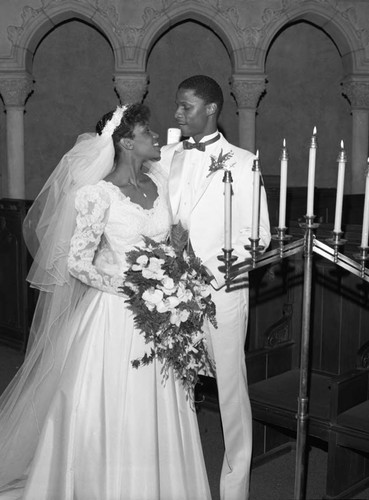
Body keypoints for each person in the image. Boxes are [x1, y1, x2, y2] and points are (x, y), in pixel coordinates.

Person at [0, 104, 211, 500]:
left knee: (160, 401)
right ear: (127, 142)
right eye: (147, 132)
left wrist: (173, 272)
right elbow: (77, 262)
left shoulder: (159, 182)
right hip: (116, 313)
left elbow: (171, 237)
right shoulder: (96, 195)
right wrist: (131, 285)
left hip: (163, 310)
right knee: (113, 405)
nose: (155, 137)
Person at [160, 75, 271, 500]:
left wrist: (208, 265)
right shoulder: (166, 155)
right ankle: (173, 479)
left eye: (185, 106)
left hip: (223, 290)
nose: (177, 114)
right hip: (166, 290)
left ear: (211, 109)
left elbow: (258, 235)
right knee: (168, 380)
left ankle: (234, 487)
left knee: (229, 387)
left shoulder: (244, 162)